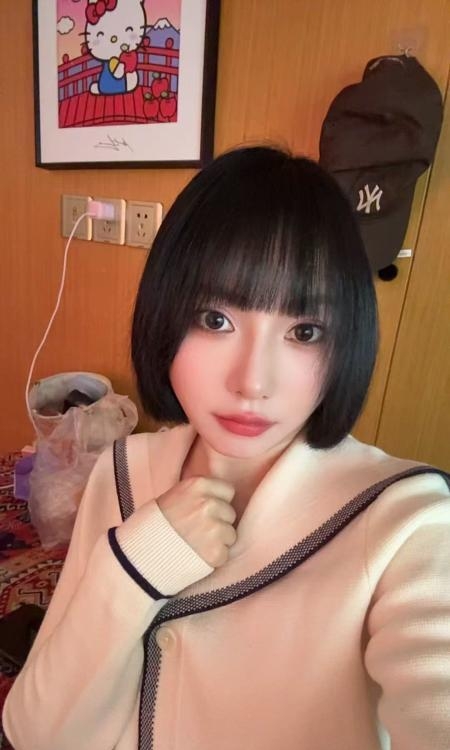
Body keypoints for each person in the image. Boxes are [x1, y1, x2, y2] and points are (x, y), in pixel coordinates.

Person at [3, 146, 450, 750]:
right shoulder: (121, 468)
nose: (252, 382)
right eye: (215, 320)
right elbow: (38, 735)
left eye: (304, 332)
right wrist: (131, 569)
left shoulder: (410, 521)